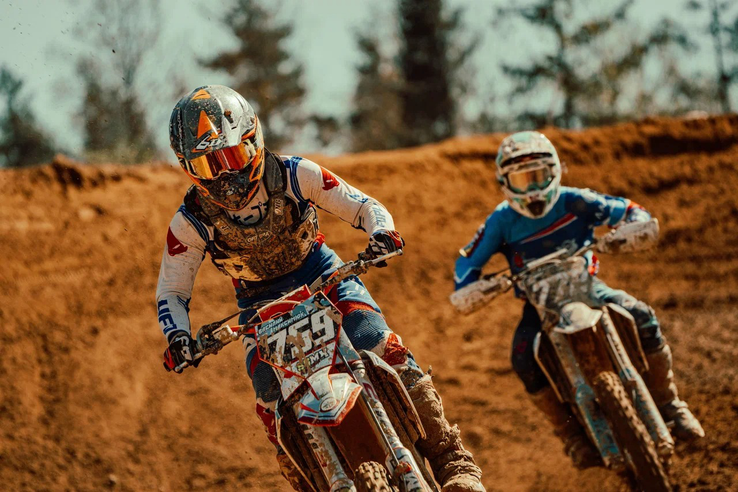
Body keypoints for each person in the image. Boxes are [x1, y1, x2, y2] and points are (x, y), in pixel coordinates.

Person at [156, 85, 484, 491]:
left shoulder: (294, 174)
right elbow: (172, 290)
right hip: (259, 307)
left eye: (233, 157)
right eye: (208, 166)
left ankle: (453, 460)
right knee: (270, 402)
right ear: (188, 168)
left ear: (253, 139)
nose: (225, 176)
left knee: (382, 345)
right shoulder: (190, 221)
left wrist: (381, 232)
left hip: (323, 277)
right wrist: (178, 337)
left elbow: (363, 205)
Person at [452, 130, 704, 469]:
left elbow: (628, 210)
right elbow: (467, 262)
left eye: (538, 176)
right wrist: (470, 286)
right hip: (539, 303)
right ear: (504, 183)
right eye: (522, 180)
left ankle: (671, 405)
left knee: (642, 314)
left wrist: (632, 226)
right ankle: (570, 436)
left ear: (555, 171)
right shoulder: (501, 220)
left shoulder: (575, 201)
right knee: (522, 358)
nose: (532, 189)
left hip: (588, 286)